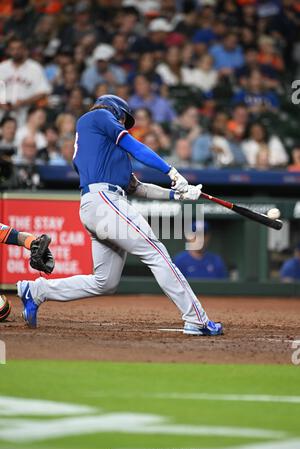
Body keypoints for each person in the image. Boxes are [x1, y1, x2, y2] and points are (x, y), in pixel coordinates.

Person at [17, 94, 222, 337]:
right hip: (104, 202)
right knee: (156, 253)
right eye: (123, 120)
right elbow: (136, 146)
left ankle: (36, 291)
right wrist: (172, 172)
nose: (123, 124)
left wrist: (177, 195)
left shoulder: (107, 153)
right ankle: (196, 319)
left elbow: (138, 188)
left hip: (101, 206)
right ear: (117, 112)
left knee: (105, 282)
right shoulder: (97, 116)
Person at [0, 38, 51, 125]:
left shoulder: (35, 68)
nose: (15, 52)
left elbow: (44, 91)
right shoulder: (2, 67)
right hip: (3, 114)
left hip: (26, 114)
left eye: (18, 48)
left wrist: (24, 102)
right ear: (8, 51)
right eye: (12, 49)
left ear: (24, 49)